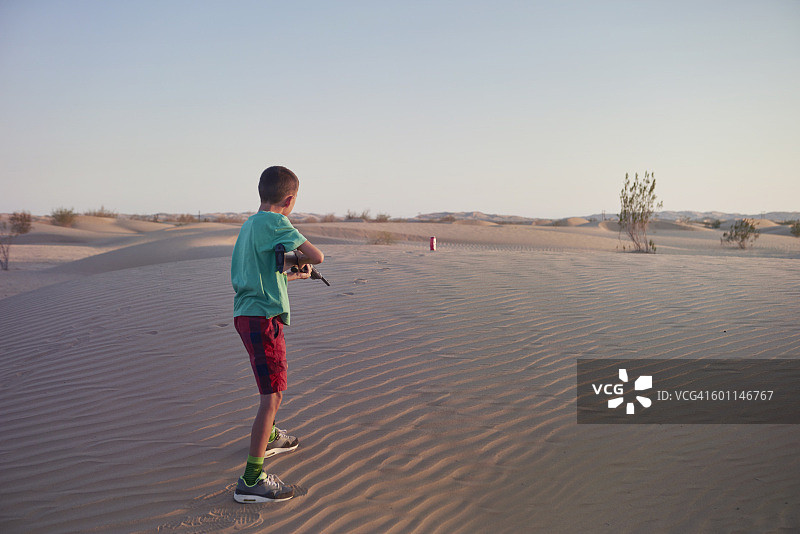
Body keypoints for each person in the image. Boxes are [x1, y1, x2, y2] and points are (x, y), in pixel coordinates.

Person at [230, 166, 324, 503]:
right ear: (289, 199)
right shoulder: (276, 223)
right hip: (261, 319)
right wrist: (302, 258)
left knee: (272, 388)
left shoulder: (248, 227)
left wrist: (295, 274)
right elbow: (317, 255)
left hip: (248, 315)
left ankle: (269, 437)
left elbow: (264, 274)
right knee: (271, 396)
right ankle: (251, 481)